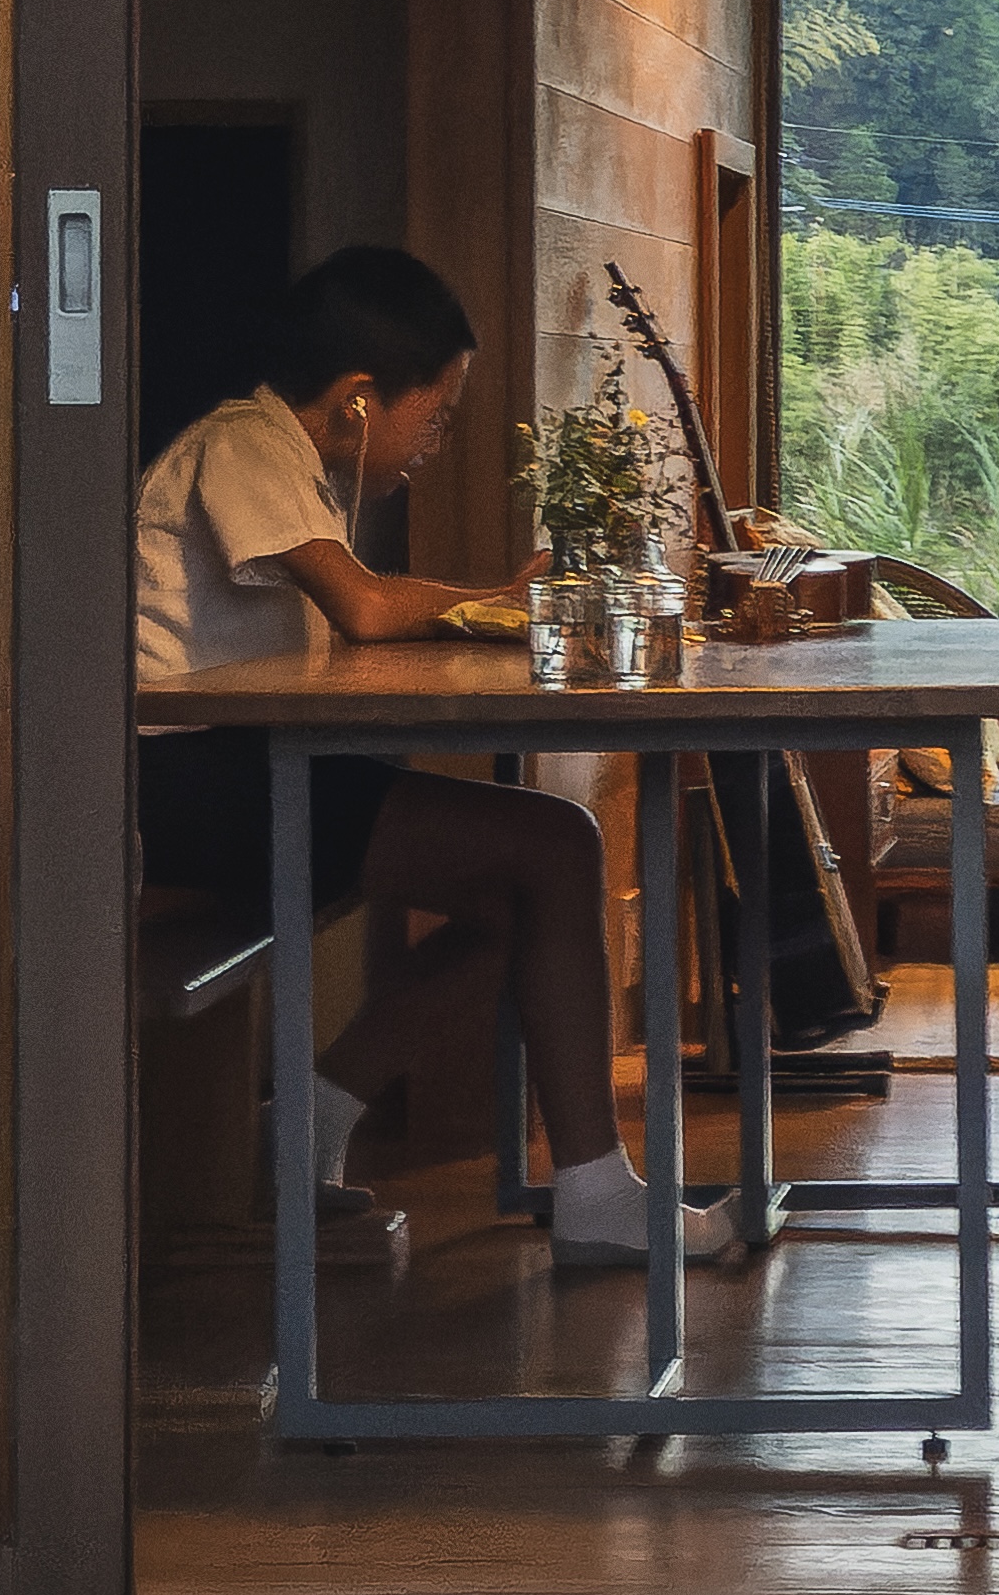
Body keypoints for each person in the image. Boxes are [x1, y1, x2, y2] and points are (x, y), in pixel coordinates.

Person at [135, 243, 733, 1268]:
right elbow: (363, 606)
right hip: (184, 784)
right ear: (361, 396)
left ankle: (313, 1119)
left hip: (249, 768)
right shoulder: (243, 442)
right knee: (553, 852)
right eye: (439, 412)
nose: (440, 441)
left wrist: (491, 605)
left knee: (536, 882)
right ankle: (591, 1193)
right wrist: (502, 600)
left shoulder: (296, 465)